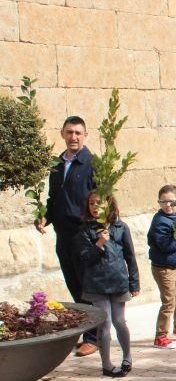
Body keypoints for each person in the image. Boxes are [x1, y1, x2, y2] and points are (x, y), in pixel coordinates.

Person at [35, 116, 97, 356]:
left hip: (83, 233)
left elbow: (101, 199)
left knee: (88, 287)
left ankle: (94, 337)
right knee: (75, 286)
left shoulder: (92, 164)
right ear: (62, 134)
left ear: (85, 135)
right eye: (69, 132)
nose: (74, 137)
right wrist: (45, 217)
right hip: (64, 235)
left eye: (78, 133)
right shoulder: (57, 164)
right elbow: (54, 198)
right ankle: (88, 331)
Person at [77, 193, 139, 377]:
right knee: (105, 323)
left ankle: (127, 357)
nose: (95, 207)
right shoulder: (86, 230)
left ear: (109, 205)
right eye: (91, 203)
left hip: (118, 280)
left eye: (99, 203)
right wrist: (99, 243)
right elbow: (85, 258)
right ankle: (107, 365)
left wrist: (134, 282)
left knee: (120, 321)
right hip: (97, 284)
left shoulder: (121, 227)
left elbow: (130, 256)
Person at [147, 184, 176, 350]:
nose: (168, 205)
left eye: (172, 202)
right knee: (168, 303)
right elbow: (167, 245)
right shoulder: (160, 222)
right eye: (163, 201)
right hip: (163, 268)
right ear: (159, 203)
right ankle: (161, 336)